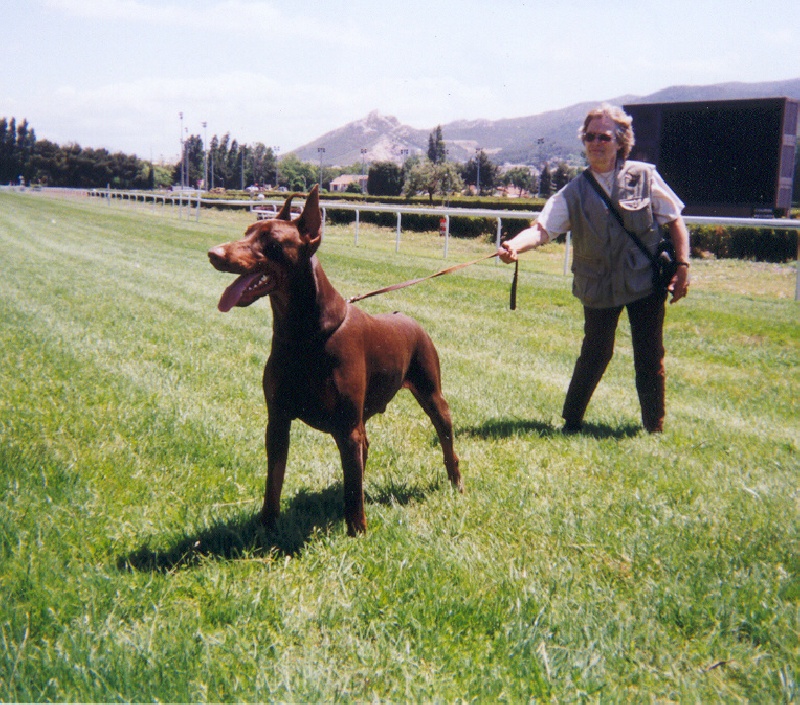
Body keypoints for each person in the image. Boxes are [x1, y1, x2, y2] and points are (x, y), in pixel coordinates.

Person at [498, 103, 690, 434]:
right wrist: (515, 245)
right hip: (597, 286)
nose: (596, 143)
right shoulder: (571, 192)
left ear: (620, 141)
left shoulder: (645, 176)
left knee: (649, 357)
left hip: (645, 282)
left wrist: (683, 265)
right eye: (590, 136)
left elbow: (675, 221)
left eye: (604, 136)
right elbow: (543, 229)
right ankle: (571, 422)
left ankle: (654, 428)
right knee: (595, 355)